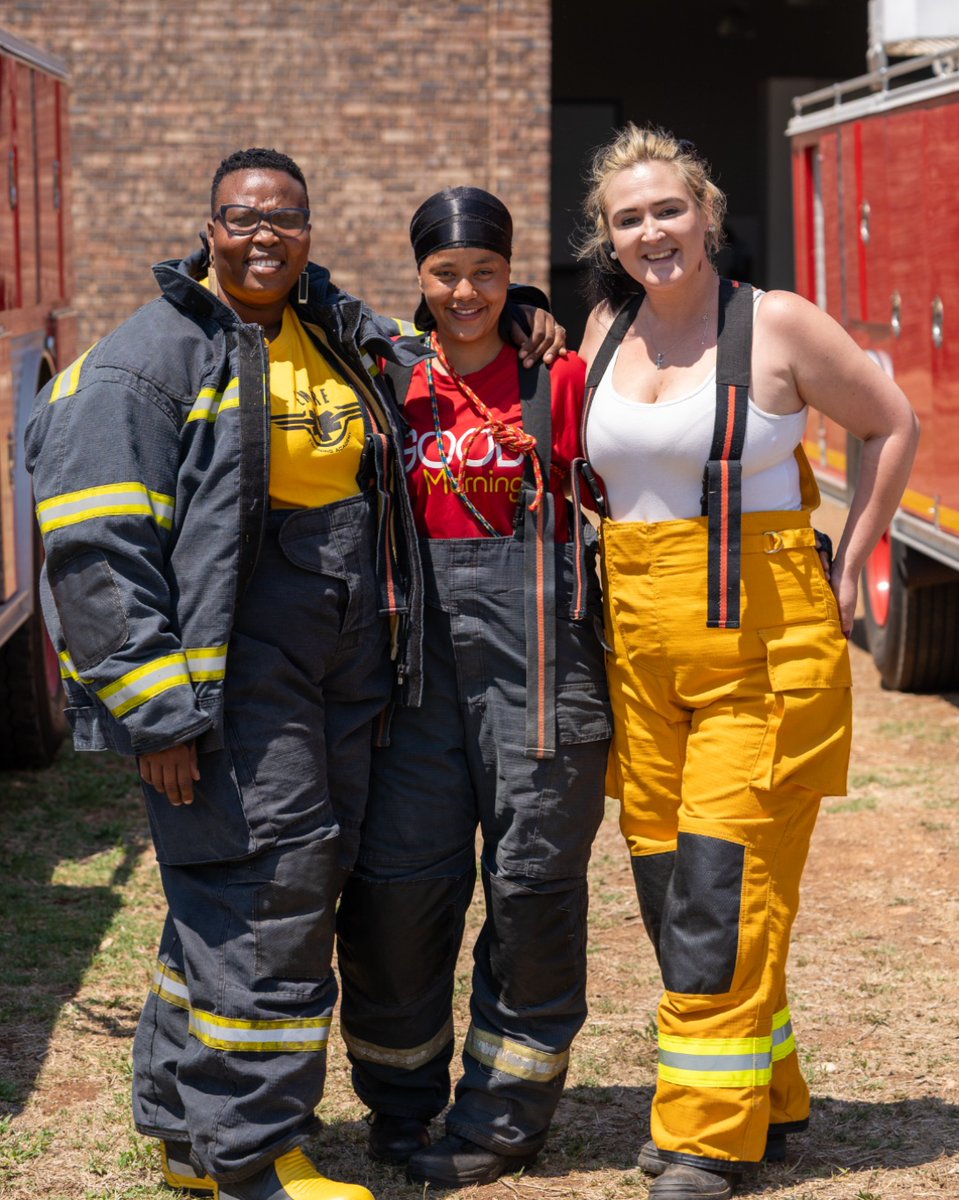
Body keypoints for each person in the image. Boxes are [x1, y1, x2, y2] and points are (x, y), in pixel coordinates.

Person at [24, 150, 561, 1200]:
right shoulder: (145, 364)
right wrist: (158, 716)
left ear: (310, 231)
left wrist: (523, 307)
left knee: (236, 896)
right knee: (267, 890)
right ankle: (254, 1155)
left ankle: (188, 1134)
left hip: (340, 666)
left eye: (286, 218)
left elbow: (439, 339)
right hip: (232, 676)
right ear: (208, 230)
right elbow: (95, 557)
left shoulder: (331, 329)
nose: (264, 236)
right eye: (242, 218)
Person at [575, 125, 918, 1200]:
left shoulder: (775, 324)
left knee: (719, 894)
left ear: (707, 214)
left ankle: (702, 1138)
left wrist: (849, 562)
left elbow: (890, 423)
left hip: (760, 658)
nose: (651, 232)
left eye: (667, 209)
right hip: (640, 657)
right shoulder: (603, 330)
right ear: (607, 238)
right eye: (628, 218)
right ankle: (767, 1090)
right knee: (668, 887)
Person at [334, 187, 611, 1188]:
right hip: (416, 679)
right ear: (417, 276)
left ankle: (502, 1116)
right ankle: (400, 1105)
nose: (466, 292)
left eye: (487, 274)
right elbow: (302, 298)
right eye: (445, 274)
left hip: (541, 676)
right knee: (396, 895)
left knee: (533, 892)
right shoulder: (384, 376)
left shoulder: (558, 378)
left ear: (511, 274)